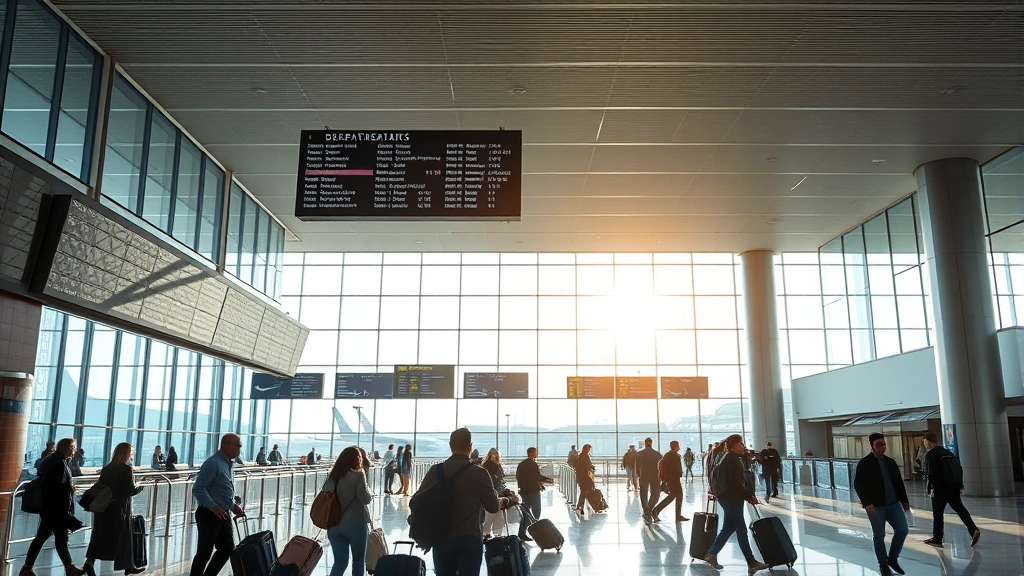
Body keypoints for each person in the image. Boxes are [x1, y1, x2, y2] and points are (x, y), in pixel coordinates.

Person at [415, 428, 514, 576]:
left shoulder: (436, 471)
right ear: (470, 446)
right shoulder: (479, 473)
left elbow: (417, 500)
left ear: (450, 445)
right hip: (470, 537)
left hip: (441, 538)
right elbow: (492, 507)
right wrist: (505, 500)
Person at [701, 435, 770, 573]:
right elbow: (736, 483)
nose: (743, 447)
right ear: (733, 446)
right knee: (741, 528)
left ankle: (711, 554)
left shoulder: (725, 457)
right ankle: (751, 562)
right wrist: (749, 497)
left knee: (728, 527)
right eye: (740, 444)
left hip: (726, 497)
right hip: (732, 497)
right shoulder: (733, 460)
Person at [21, 437, 83, 576]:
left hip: (49, 508)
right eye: (73, 448)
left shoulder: (50, 460)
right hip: (57, 509)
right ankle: (69, 568)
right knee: (60, 538)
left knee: (45, 537)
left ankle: (27, 568)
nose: (74, 451)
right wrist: (69, 489)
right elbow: (54, 486)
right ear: (67, 448)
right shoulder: (60, 463)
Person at [83, 442, 145, 576]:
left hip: (104, 507)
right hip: (119, 508)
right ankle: (128, 566)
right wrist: (140, 486)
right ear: (127, 453)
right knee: (124, 536)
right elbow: (129, 490)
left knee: (99, 535)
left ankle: (89, 561)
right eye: (131, 452)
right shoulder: (126, 469)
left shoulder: (107, 468)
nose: (132, 454)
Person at [853, 433, 910, 576]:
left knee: (903, 529)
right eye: (879, 444)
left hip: (893, 504)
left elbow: (898, 483)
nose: (882, 447)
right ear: (872, 445)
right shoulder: (865, 463)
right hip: (876, 506)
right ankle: (883, 565)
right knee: (879, 535)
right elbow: (858, 485)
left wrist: (904, 500)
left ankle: (892, 559)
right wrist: (866, 503)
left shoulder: (890, 462)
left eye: (884, 444)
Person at [189, 434, 245, 576]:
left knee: (227, 548)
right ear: (226, 445)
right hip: (209, 513)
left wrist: (233, 506)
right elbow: (198, 488)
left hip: (223, 512)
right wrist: (214, 507)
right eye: (238, 445)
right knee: (204, 552)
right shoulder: (213, 463)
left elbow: (221, 491)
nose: (240, 448)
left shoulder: (228, 464)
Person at [922, 431, 980, 548]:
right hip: (953, 486)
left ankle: (937, 538)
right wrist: (960, 485)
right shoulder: (948, 452)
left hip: (940, 488)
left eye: (924, 442)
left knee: (938, 513)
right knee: (960, 508)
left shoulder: (930, 454)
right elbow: (958, 468)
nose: (924, 444)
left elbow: (931, 473)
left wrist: (930, 487)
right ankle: (973, 530)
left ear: (928, 441)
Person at [323, 447, 372, 576]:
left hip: (334, 525)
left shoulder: (333, 476)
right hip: (355, 524)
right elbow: (365, 499)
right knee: (358, 560)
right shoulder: (358, 474)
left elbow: (325, 496)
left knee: (340, 563)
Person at [515, 447, 552, 542]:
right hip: (533, 491)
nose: (536, 453)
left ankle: (522, 532)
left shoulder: (522, 464)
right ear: (532, 453)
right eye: (535, 452)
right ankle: (535, 530)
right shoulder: (533, 464)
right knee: (536, 511)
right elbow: (537, 476)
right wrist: (547, 479)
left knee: (526, 512)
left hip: (525, 491)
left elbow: (518, 477)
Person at [651, 440, 687, 523]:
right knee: (674, 495)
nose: (679, 447)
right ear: (675, 446)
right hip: (673, 479)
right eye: (677, 445)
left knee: (675, 496)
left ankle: (676, 515)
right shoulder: (673, 456)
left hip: (671, 479)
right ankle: (656, 511)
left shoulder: (669, 455)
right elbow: (673, 468)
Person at [481, 448, 506, 541]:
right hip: (493, 493)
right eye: (492, 454)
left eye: (494, 454)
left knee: (494, 514)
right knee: (491, 514)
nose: (493, 456)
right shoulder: (490, 466)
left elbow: (501, 481)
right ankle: (489, 533)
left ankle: (491, 533)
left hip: (496, 493)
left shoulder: (495, 466)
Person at [635, 437, 662, 520]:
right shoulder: (658, 454)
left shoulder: (639, 454)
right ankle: (650, 507)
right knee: (656, 493)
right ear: (651, 443)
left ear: (645, 443)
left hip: (643, 475)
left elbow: (636, 466)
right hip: (655, 476)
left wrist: (638, 474)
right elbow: (661, 466)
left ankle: (646, 509)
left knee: (643, 493)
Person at [573, 444, 595, 517]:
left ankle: (580, 506)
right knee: (584, 492)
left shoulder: (581, 456)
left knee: (584, 491)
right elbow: (587, 465)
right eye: (588, 449)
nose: (589, 450)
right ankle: (581, 506)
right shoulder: (584, 456)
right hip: (584, 477)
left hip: (582, 477)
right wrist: (592, 468)